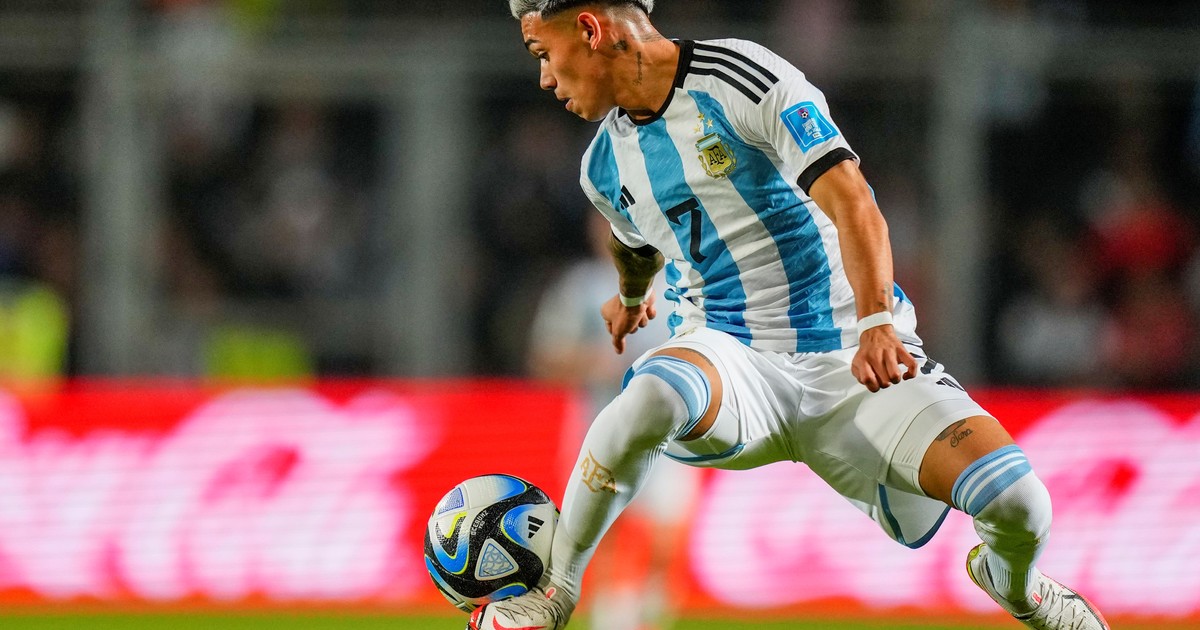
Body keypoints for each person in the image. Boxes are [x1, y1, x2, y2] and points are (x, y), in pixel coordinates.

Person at [471, 2, 1112, 629]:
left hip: (853, 358)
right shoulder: (602, 167)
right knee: (651, 396)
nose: (545, 77)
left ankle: (1015, 584)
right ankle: (556, 593)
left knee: (1018, 502)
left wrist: (875, 323)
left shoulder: (740, 78)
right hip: (733, 360)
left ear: (589, 28)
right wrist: (634, 297)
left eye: (543, 52)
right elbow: (632, 243)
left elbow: (852, 198)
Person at [527, 211, 698, 630]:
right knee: (603, 522)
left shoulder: (679, 282)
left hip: (669, 430)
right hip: (600, 421)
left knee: (667, 530)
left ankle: (652, 600)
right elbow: (545, 357)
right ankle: (609, 610)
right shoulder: (581, 286)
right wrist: (590, 363)